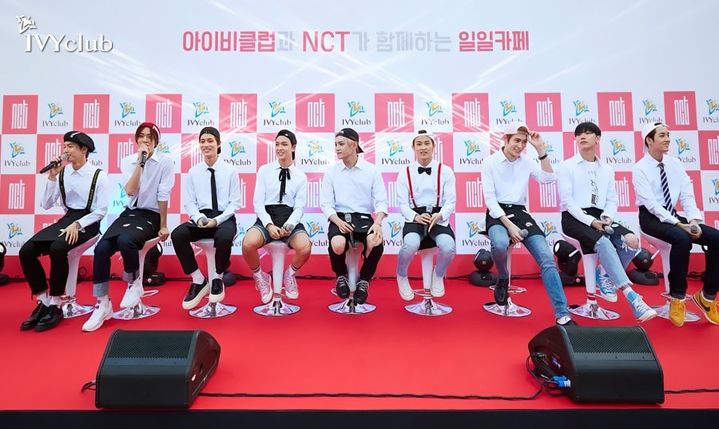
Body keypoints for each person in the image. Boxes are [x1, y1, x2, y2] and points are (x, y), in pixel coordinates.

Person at [557, 122, 656, 322]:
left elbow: (612, 200)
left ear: (598, 139)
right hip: (574, 218)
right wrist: (591, 222)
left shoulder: (607, 169)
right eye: (578, 134)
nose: (582, 136)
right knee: (603, 242)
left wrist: (607, 218)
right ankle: (632, 297)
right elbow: (568, 202)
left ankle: (604, 274)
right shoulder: (566, 166)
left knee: (632, 241)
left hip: (600, 216)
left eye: (587, 133)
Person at [82, 122, 175, 332]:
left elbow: (163, 195)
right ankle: (102, 303)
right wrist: (140, 164)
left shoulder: (166, 163)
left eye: (149, 137)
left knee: (126, 241)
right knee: (101, 248)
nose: (145, 140)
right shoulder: (128, 161)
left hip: (152, 215)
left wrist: (163, 225)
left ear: (156, 141)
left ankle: (134, 284)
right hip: (130, 212)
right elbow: (130, 191)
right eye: (141, 136)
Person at [482, 123, 574, 325]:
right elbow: (489, 199)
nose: (520, 145)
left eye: (524, 142)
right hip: (497, 214)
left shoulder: (528, 162)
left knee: (547, 259)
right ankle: (503, 277)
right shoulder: (489, 162)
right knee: (499, 244)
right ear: (505, 139)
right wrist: (509, 225)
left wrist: (540, 149)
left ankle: (562, 314)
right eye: (517, 140)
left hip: (520, 213)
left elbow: (548, 178)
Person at [19, 131, 108, 332]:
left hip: (89, 223)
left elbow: (101, 211)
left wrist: (78, 225)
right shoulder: (62, 173)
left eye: (70, 146)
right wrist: (52, 178)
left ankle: (56, 303)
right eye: (65, 146)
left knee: (58, 248)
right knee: (26, 251)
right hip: (66, 220)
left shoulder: (99, 175)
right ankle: (43, 300)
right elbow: (46, 204)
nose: (65, 150)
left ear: (83, 150)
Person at [633, 122, 719, 327]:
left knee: (716, 238)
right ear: (649, 140)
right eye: (662, 136)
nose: (667, 139)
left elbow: (687, 194)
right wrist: (681, 226)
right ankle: (677, 297)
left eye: (668, 135)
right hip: (650, 219)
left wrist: (693, 221)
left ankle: (707, 297)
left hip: (674, 216)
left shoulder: (676, 164)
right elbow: (652, 205)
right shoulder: (639, 168)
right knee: (681, 239)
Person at [172, 127, 241, 310]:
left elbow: (235, 203)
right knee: (178, 234)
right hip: (201, 218)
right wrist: (200, 219)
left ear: (218, 144)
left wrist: (217, 221)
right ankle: (198, 279)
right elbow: (189, 203)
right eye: (202, 141)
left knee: (224, 237)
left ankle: (217, 278)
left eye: (210, 141)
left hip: (224, 218)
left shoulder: (230, 171)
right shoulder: (193, 172)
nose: (206, 145)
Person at [242, 130, 311, 303]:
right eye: (277, 144)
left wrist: (289, 225)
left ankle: (290, 274)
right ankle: (260, 276)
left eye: (284, 144)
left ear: (293, 147)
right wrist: (269, 225)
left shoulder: (301, 176)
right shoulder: (264, 170)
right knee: (248, 243)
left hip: (289, 217)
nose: (280, 148)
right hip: (268, 216)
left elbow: (299, 207)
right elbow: (258, 203)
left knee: (305, 247)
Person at [320, 128, 387, 305]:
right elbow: (326, 204)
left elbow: (381, 201)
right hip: (339, 218)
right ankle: (341, 276)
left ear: (353, 144)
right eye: (335, 144)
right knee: (337, 243)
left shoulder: (371, 170)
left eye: (341, 144)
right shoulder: (331, 172)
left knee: (376, 242)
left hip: (364, 219)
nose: (337, 148)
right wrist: (337, 221)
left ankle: (364, 280)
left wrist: (378, 223)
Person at [395, 130, 456, 300]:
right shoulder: (405, 172)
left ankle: (438, 275)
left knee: (449, 247)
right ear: (413, 147)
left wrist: (440, 215)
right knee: (410, 245)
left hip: (438, 217)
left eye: (427, 143)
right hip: (415, 217)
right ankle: (401, 275)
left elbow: (451, 202)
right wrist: (415, 217)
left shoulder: (446, 171)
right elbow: (402, 204)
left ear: (434, 146)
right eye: (419, 144)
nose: (423, 148)